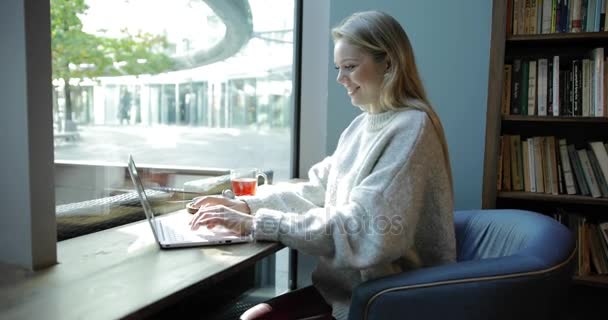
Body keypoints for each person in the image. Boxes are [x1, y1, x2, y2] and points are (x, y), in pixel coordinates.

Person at [190, 10, 456, 320]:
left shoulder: (412, 129)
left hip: (381, 301)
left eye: (350, 67)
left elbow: (364, 229)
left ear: (389, 63)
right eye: (338, 68)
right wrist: (243, 207)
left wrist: (258, 224)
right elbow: (317, 191)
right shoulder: (361, 126)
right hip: (341, 293)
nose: (341, 79)